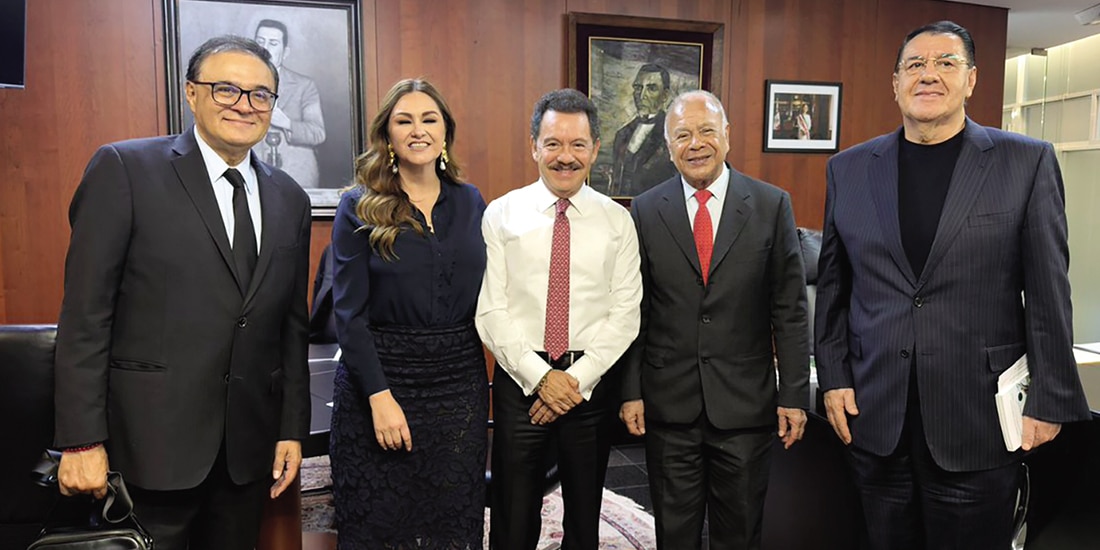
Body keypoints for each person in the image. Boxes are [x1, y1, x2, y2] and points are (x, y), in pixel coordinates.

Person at [814, 20, 1091, 550]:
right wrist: (833, 377)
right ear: (895, 83)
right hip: (875, 414)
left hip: (978, 419)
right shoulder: (848, 169)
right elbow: (834, 287)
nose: (929, 75)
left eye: (946, 63)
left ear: (971, 80)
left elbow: (1049, 291)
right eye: (915, 65)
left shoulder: (1024, 161)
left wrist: (1050, 399)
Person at [53, 35, 311, 549]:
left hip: (246, 454)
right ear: (191, 94)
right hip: (145, 449)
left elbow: (290, 326)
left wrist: (291, 428)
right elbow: (86, 316)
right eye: (226, 89)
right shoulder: (124, 170)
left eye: (261, 94)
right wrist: (81, 440)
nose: (245, 104)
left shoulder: (290, 197)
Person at [620, 90, 809, 550]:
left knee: (740, 534)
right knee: (675, 534)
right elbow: (634, 310)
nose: (695, 143)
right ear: (668, 148)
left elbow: (790, 307)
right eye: (682, 135)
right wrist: (631, 393)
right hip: (669, 405)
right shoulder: (645, 209)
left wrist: (794, 395)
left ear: (726, 135)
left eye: (706, 131)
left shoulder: (770, 204)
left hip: (745, 405)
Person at [476, 88, 642, 550]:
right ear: (534, 146)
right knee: (513, 517)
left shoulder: (617, 222)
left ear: (593, 149)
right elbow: (491, 310)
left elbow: (625, 314)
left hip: (590, 389)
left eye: (577, 145)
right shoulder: (502, 214)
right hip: (519, 384)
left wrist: (574, 382)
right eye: (553, 143)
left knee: (584, 519)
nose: (565, 157)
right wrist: (542, 377)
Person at [329, 78, 489, 549]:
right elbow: (348, 315)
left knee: (452, 521)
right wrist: (379, 397)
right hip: (380, 381)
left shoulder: (471, 200)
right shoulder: (358, 206)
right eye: (404, 120)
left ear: (445, 133)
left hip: (458, 383)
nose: (417, 130)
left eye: (429, 119)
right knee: (380, 525)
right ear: (388, 135)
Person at [253, 19, 326, 188]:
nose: (265, 48)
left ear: (285, 52)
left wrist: (286, 123)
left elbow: (318, 133)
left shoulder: (304, 85)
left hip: (297, 175)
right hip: (250, 174)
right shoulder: (237, 85)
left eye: (273, 43)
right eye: (260, 41)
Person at [609, 63, 679, 196]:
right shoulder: (621, 135)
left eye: (651, 88)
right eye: (638, 88)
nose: (641, 96)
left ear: (665, 95)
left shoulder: (673, 137)